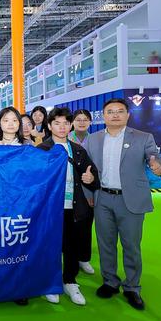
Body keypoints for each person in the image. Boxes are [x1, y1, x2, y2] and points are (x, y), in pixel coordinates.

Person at [83, 98, 161, 310]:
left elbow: (155, 157)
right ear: (103, 116)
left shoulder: (143, 137)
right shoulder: (92, 139)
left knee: (131, 246)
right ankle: (110, 282)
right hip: (102, 198)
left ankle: (132, 287)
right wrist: (87, 192)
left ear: (128, 115)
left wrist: (158, 166)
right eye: (110, 111)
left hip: (131, 199)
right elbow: (84, 168)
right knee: (105, 244)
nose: (115, 115)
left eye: (120, 111)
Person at [37, 107, 100, 306]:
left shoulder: (78, 150)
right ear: (49, 126)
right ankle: (50, 282)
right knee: (50, 246)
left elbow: (93, 176)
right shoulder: (41, 150)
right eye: (57, 123)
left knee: (72, 246)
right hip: (50, 209)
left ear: (71, 125)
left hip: (74, 207)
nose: (62, 127)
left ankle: (70, 281)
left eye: (66, 123)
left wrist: (90, 179)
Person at [69, 109, 95, 275]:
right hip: (67, 190)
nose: (81, 122)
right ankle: (68, 259)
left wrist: (92, 193)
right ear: (72, 122)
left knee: (85, 227)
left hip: (87, 191)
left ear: (90, 122)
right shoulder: (64, 138)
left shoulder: (96, 140)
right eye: (78, 119)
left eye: (85, 119)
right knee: (68, 228)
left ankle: (84, 259)